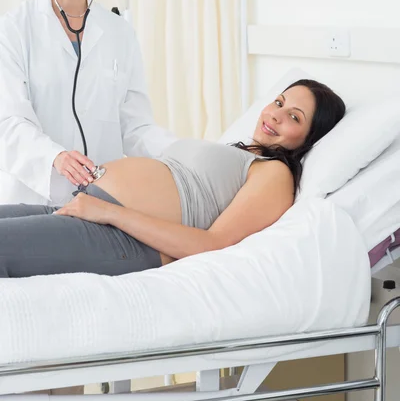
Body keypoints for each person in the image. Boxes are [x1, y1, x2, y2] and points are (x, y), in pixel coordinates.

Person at [0, 79, 345, 278]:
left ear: (309, 137)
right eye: (278, 102)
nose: (275, 115)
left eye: (294, 117)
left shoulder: (276, 174)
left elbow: (213, 244)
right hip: (85, 210)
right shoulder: (240, 154)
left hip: (119, 238)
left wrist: (108, 213)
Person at [0, 0, 176, 207]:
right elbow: (9, 120)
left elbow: (135, 126)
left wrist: (180, 151)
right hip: (32, 195)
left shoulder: (119, 32)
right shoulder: (13, 29)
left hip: (102, 197)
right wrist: (54, 156)